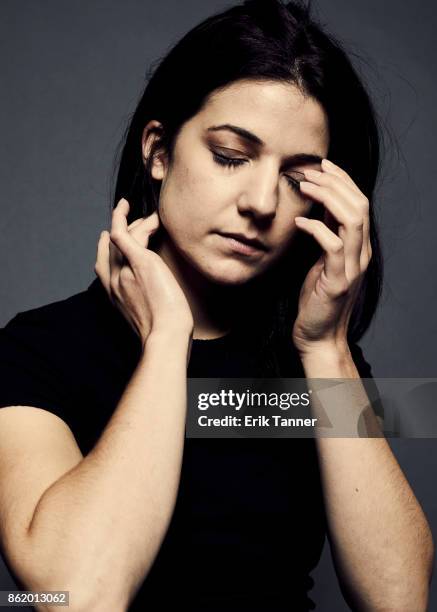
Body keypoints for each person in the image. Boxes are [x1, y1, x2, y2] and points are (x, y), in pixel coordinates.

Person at [0, 1, 433, 610]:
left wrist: (327, 349)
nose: (261, 201)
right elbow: (80, 594)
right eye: (231, 156)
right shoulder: (34, 353)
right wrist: (167, 339)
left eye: (296, 178)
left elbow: (399, 599)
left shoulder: (315, 363)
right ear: (158, 150)